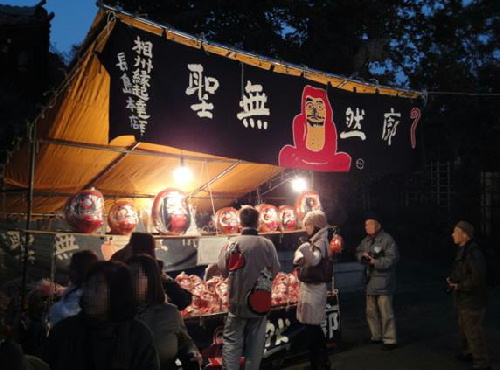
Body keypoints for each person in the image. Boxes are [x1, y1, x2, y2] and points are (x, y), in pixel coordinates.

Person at [43, 261, 160, 370]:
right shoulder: (64, 330)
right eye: (88, 286)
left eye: (97, 288)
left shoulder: (137, 336)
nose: (88, 293)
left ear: (117, 293)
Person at [217, 206, 280, 370]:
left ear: (240, 222)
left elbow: (223, 270)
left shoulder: (231, 244)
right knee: (255, 346)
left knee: (231, 344)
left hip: (236, 303)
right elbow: (275, 270)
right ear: (258, 222)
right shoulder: (267, 244)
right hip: (261, 303)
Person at [126, 254, 201, 370]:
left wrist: (192, 352)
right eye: (127, 275)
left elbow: (185, 342)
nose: (130, 280)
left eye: (136, 275)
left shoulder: (169, 312)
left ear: (151, 280)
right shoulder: (119, 314)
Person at [448, 221, 491, 370]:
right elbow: (462, 271)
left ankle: (481, 361)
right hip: (465, 298)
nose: (452, 235)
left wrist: (459, 285)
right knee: (464, 328)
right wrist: (453, 279)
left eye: (455, 232)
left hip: (472, 300)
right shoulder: (464, 250)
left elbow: (477, 278)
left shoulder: (473, 253)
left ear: (465, 234)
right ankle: (469, 353)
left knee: (473, 331)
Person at [293, 210, 332, 370]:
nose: (306, 228)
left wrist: (304, 251)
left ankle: (317, 363)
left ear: (316, 226)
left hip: (314, 288)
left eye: (308, 225)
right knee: (313, 328)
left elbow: (315, 260)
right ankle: (321, 361)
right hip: (309, 287)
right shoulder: (315, 240)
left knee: (313, 328)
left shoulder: (321, 241)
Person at [112, 232, 192, 310]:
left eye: (130, 245)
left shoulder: (156, 274)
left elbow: (182, 300)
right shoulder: (155, 274)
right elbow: (183, 301)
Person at [355, 212, 399, 351]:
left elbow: (393, 258)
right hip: (370, 280)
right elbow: (358, 251)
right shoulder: (366, 240)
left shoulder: (387, 239)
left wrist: (376, 262)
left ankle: (390, 340)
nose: (366, 226)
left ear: (377, 225)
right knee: (371, 311)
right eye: (365, 224)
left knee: (386, 312)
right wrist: (362, 256)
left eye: (369, 224)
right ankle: (376, 336)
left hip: (384, 281)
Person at [49, 250, 98, 326]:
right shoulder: (74, 288)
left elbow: (65, 316)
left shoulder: (86, 294)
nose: (68, 270)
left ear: (82, 270)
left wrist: (51, 307)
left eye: (72, 268)